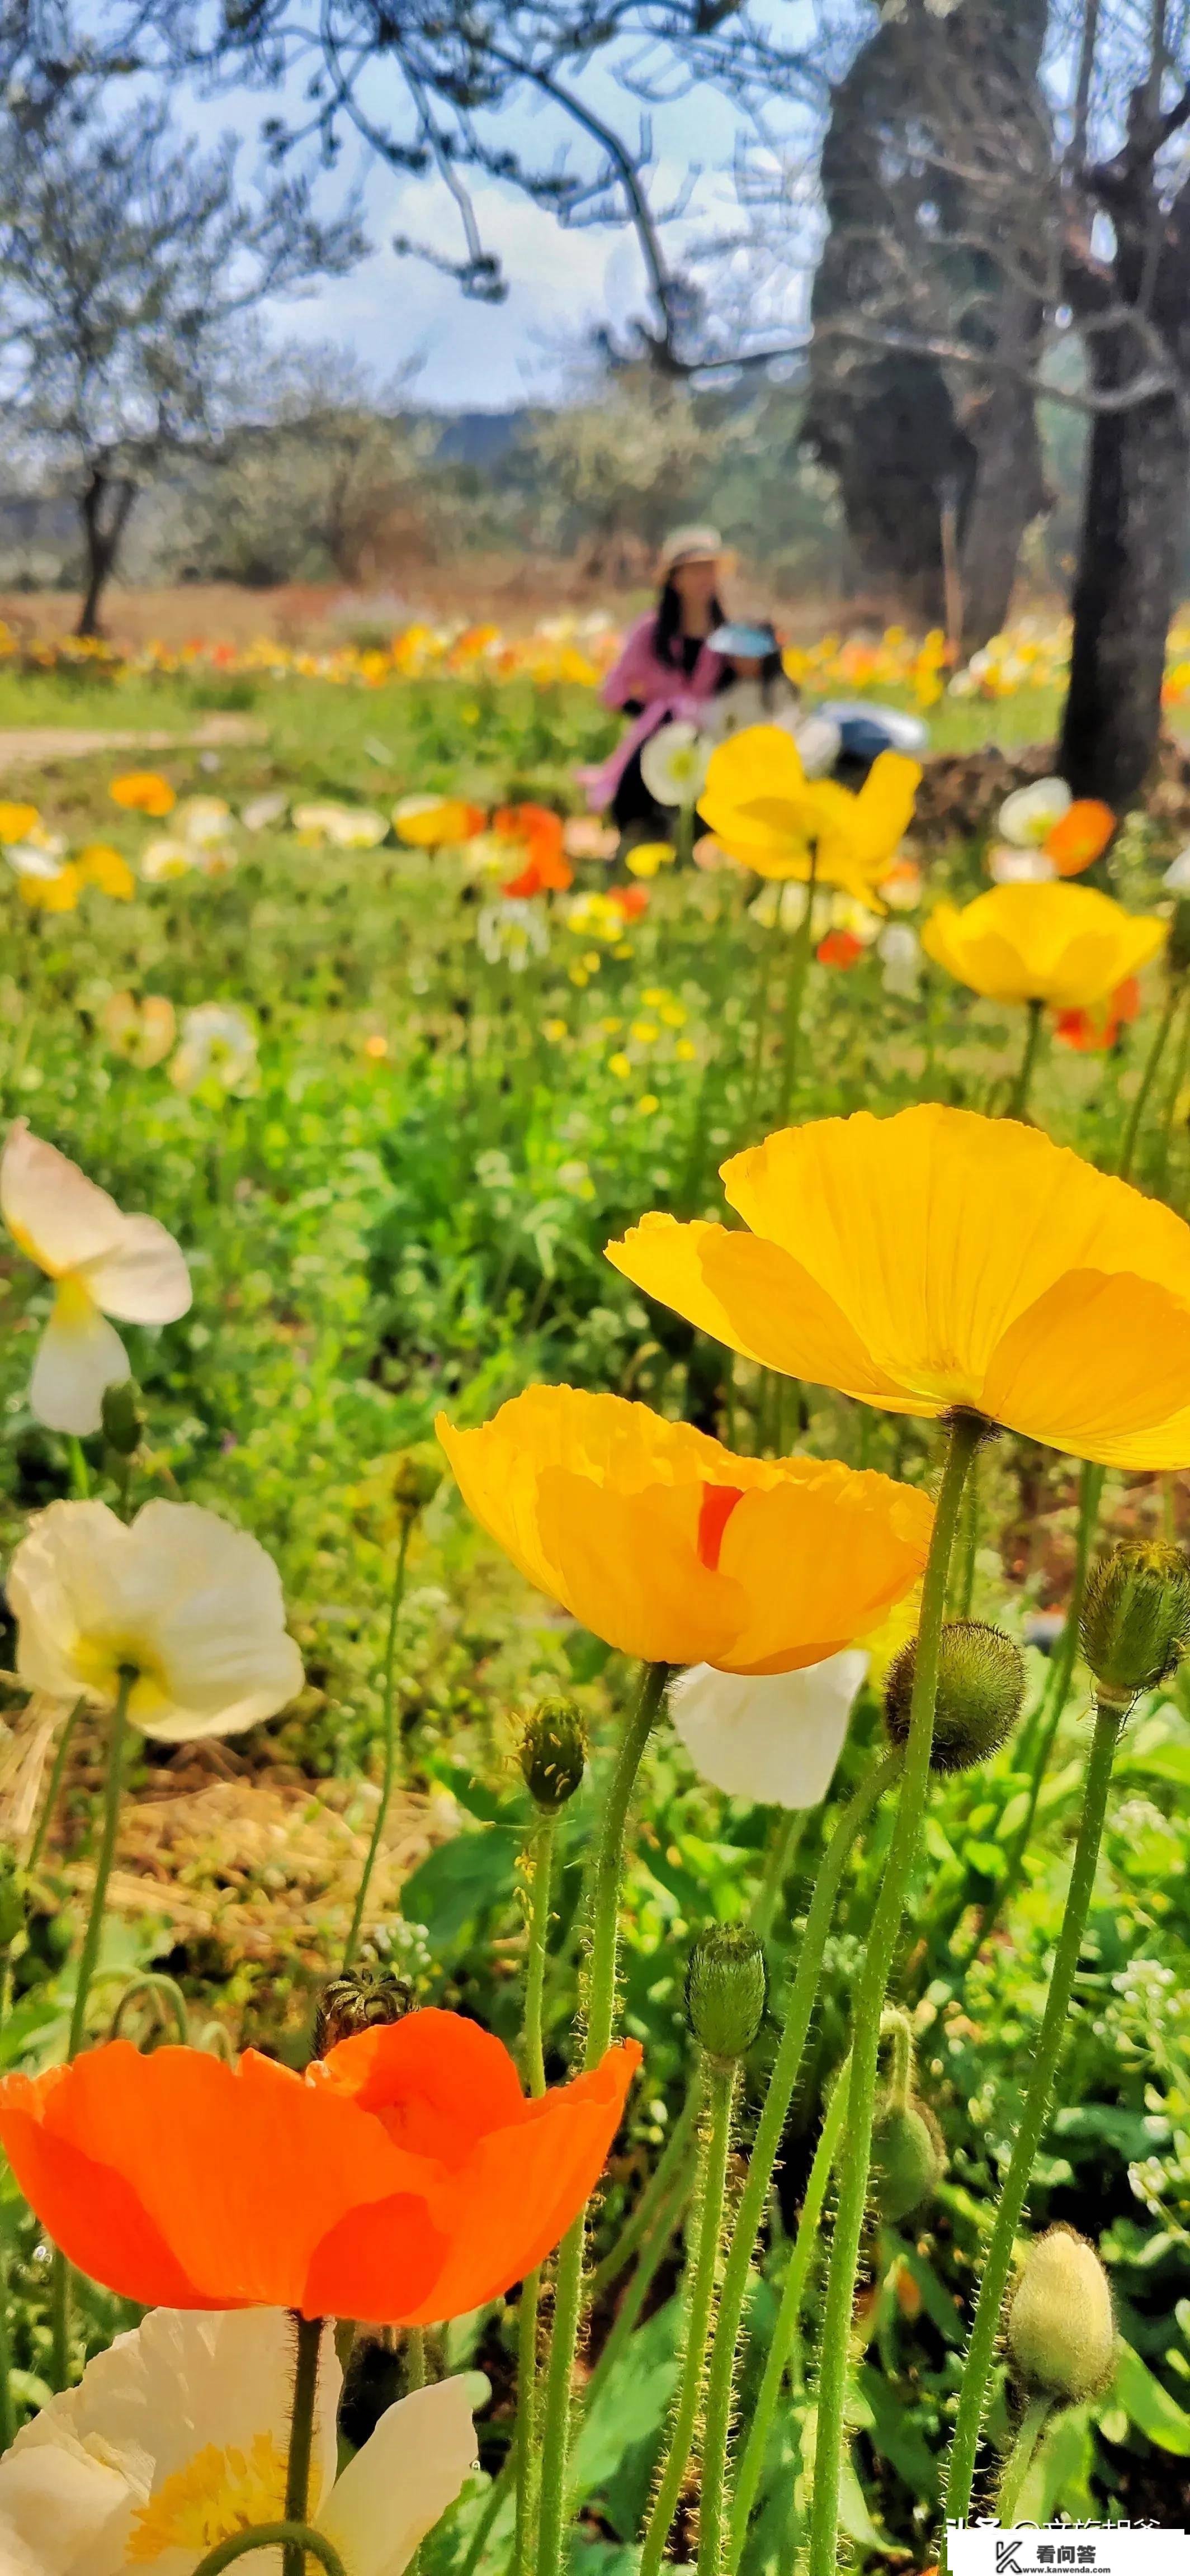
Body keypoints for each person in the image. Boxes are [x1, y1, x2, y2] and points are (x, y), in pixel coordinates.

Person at [582, 527, 731, 834]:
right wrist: (657, 715)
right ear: (676, 579)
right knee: (633, 807)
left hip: (710, 743)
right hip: (657, 740)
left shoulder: (727, 637)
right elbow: (613, 691)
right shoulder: (650, 633)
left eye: (709, 569)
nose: (705, 578)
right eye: (695, 570)